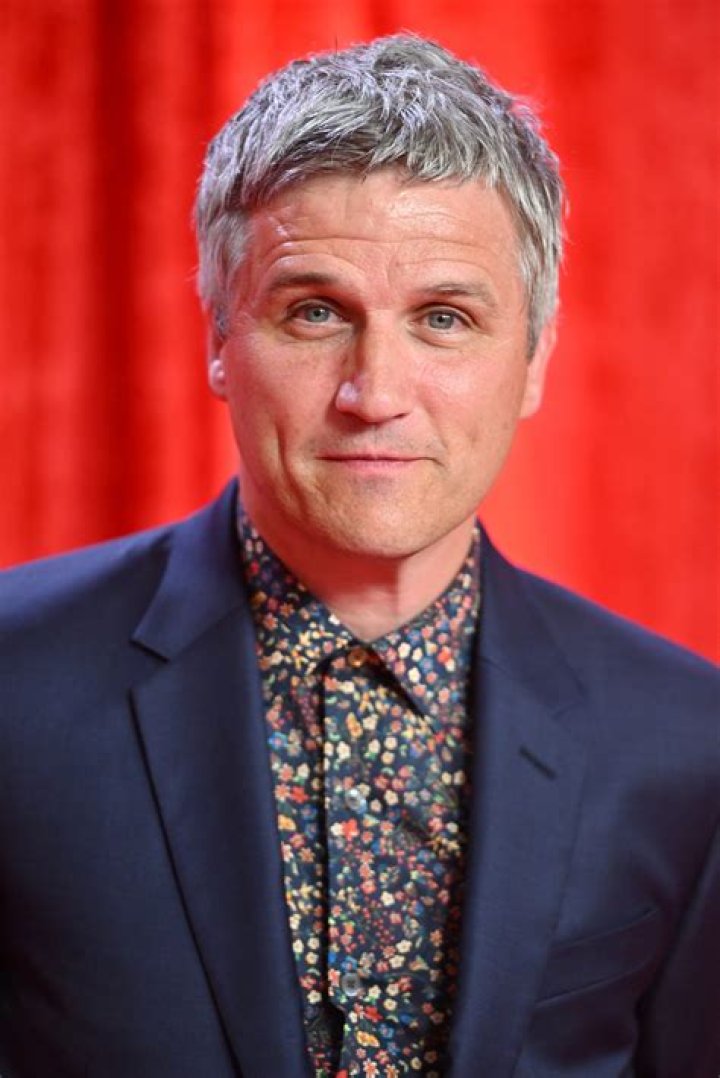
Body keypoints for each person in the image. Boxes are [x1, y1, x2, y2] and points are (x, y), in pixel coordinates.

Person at [0, 34, 717, 1078]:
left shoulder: (687, 743)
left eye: (444, 317)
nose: (375, 392)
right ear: (217, 338)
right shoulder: (13, 686)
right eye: (315, 311)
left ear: (533, 361)